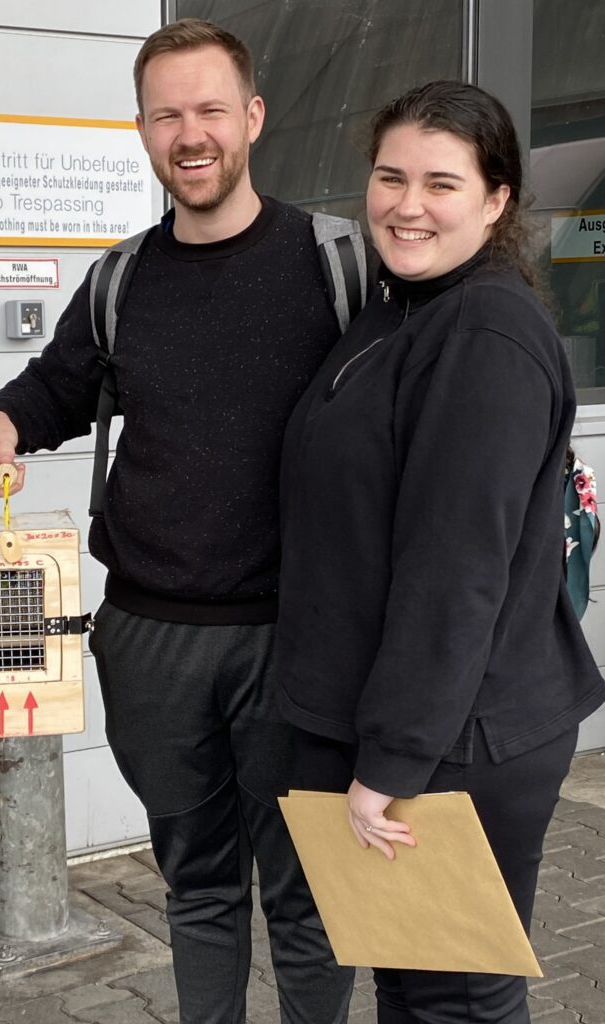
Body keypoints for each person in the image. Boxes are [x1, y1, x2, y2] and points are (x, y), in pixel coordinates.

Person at [0, 18, 357, 1024]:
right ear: (142, 130)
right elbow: (55, 384)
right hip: (151, 646)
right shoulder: (122, 280)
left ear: (253, 117)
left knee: (311, 897)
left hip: (297, 641)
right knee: (199, 888)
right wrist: (7, 417)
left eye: (210, 110)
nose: (191, 134)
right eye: (166, 115)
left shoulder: (337, 266)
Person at [275, 80, 604, 1024]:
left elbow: (452, 575)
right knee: (410, 983)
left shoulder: (485, 334)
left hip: (453, 743)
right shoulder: (404, 305)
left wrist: (392, 760)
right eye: (390, 177)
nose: (407, 205)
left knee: (457, 1000)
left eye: (441, 183)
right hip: (401, 726)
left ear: (497, 200)